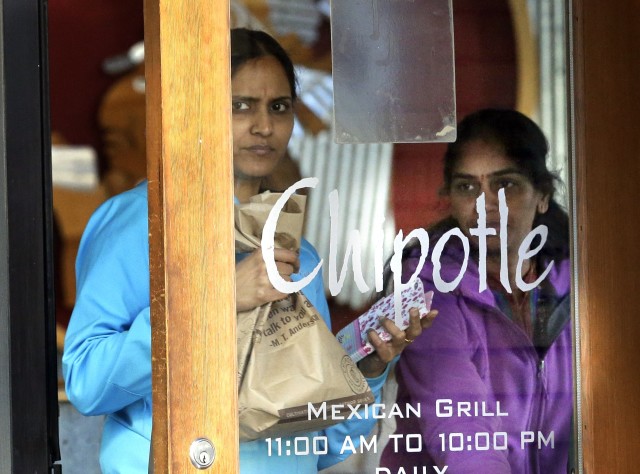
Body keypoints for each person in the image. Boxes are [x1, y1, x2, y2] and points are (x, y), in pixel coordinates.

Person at [63, 28, 434, 474]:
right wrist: (218, 300)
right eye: (241, 105)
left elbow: (320, 447)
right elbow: (86, 384)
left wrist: (369, 368)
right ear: (199, 108)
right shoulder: (139, 223)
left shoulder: (298, 253)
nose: (265, 126)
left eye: (279, 107)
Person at [379, 108, 572, 473]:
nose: (485, 205)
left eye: (505, 184)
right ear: (450, 198)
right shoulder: (427, 286)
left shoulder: (578, 288)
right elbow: (462, 430)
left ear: (542, 196)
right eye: (467, 187)